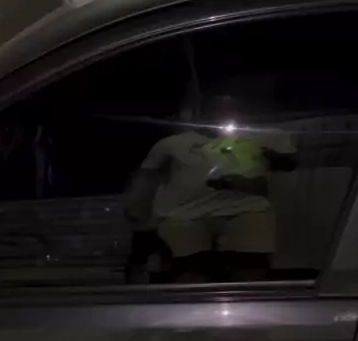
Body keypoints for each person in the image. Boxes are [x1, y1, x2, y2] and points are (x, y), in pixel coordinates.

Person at [124, 113, 297, 283]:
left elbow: (290, 162)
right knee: (190, 275)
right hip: (185, 215)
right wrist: (137, 208)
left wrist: (265, 156)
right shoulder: (172, 143)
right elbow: (147, 175)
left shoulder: (265, 136)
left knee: (250, 274)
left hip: (248, 209)